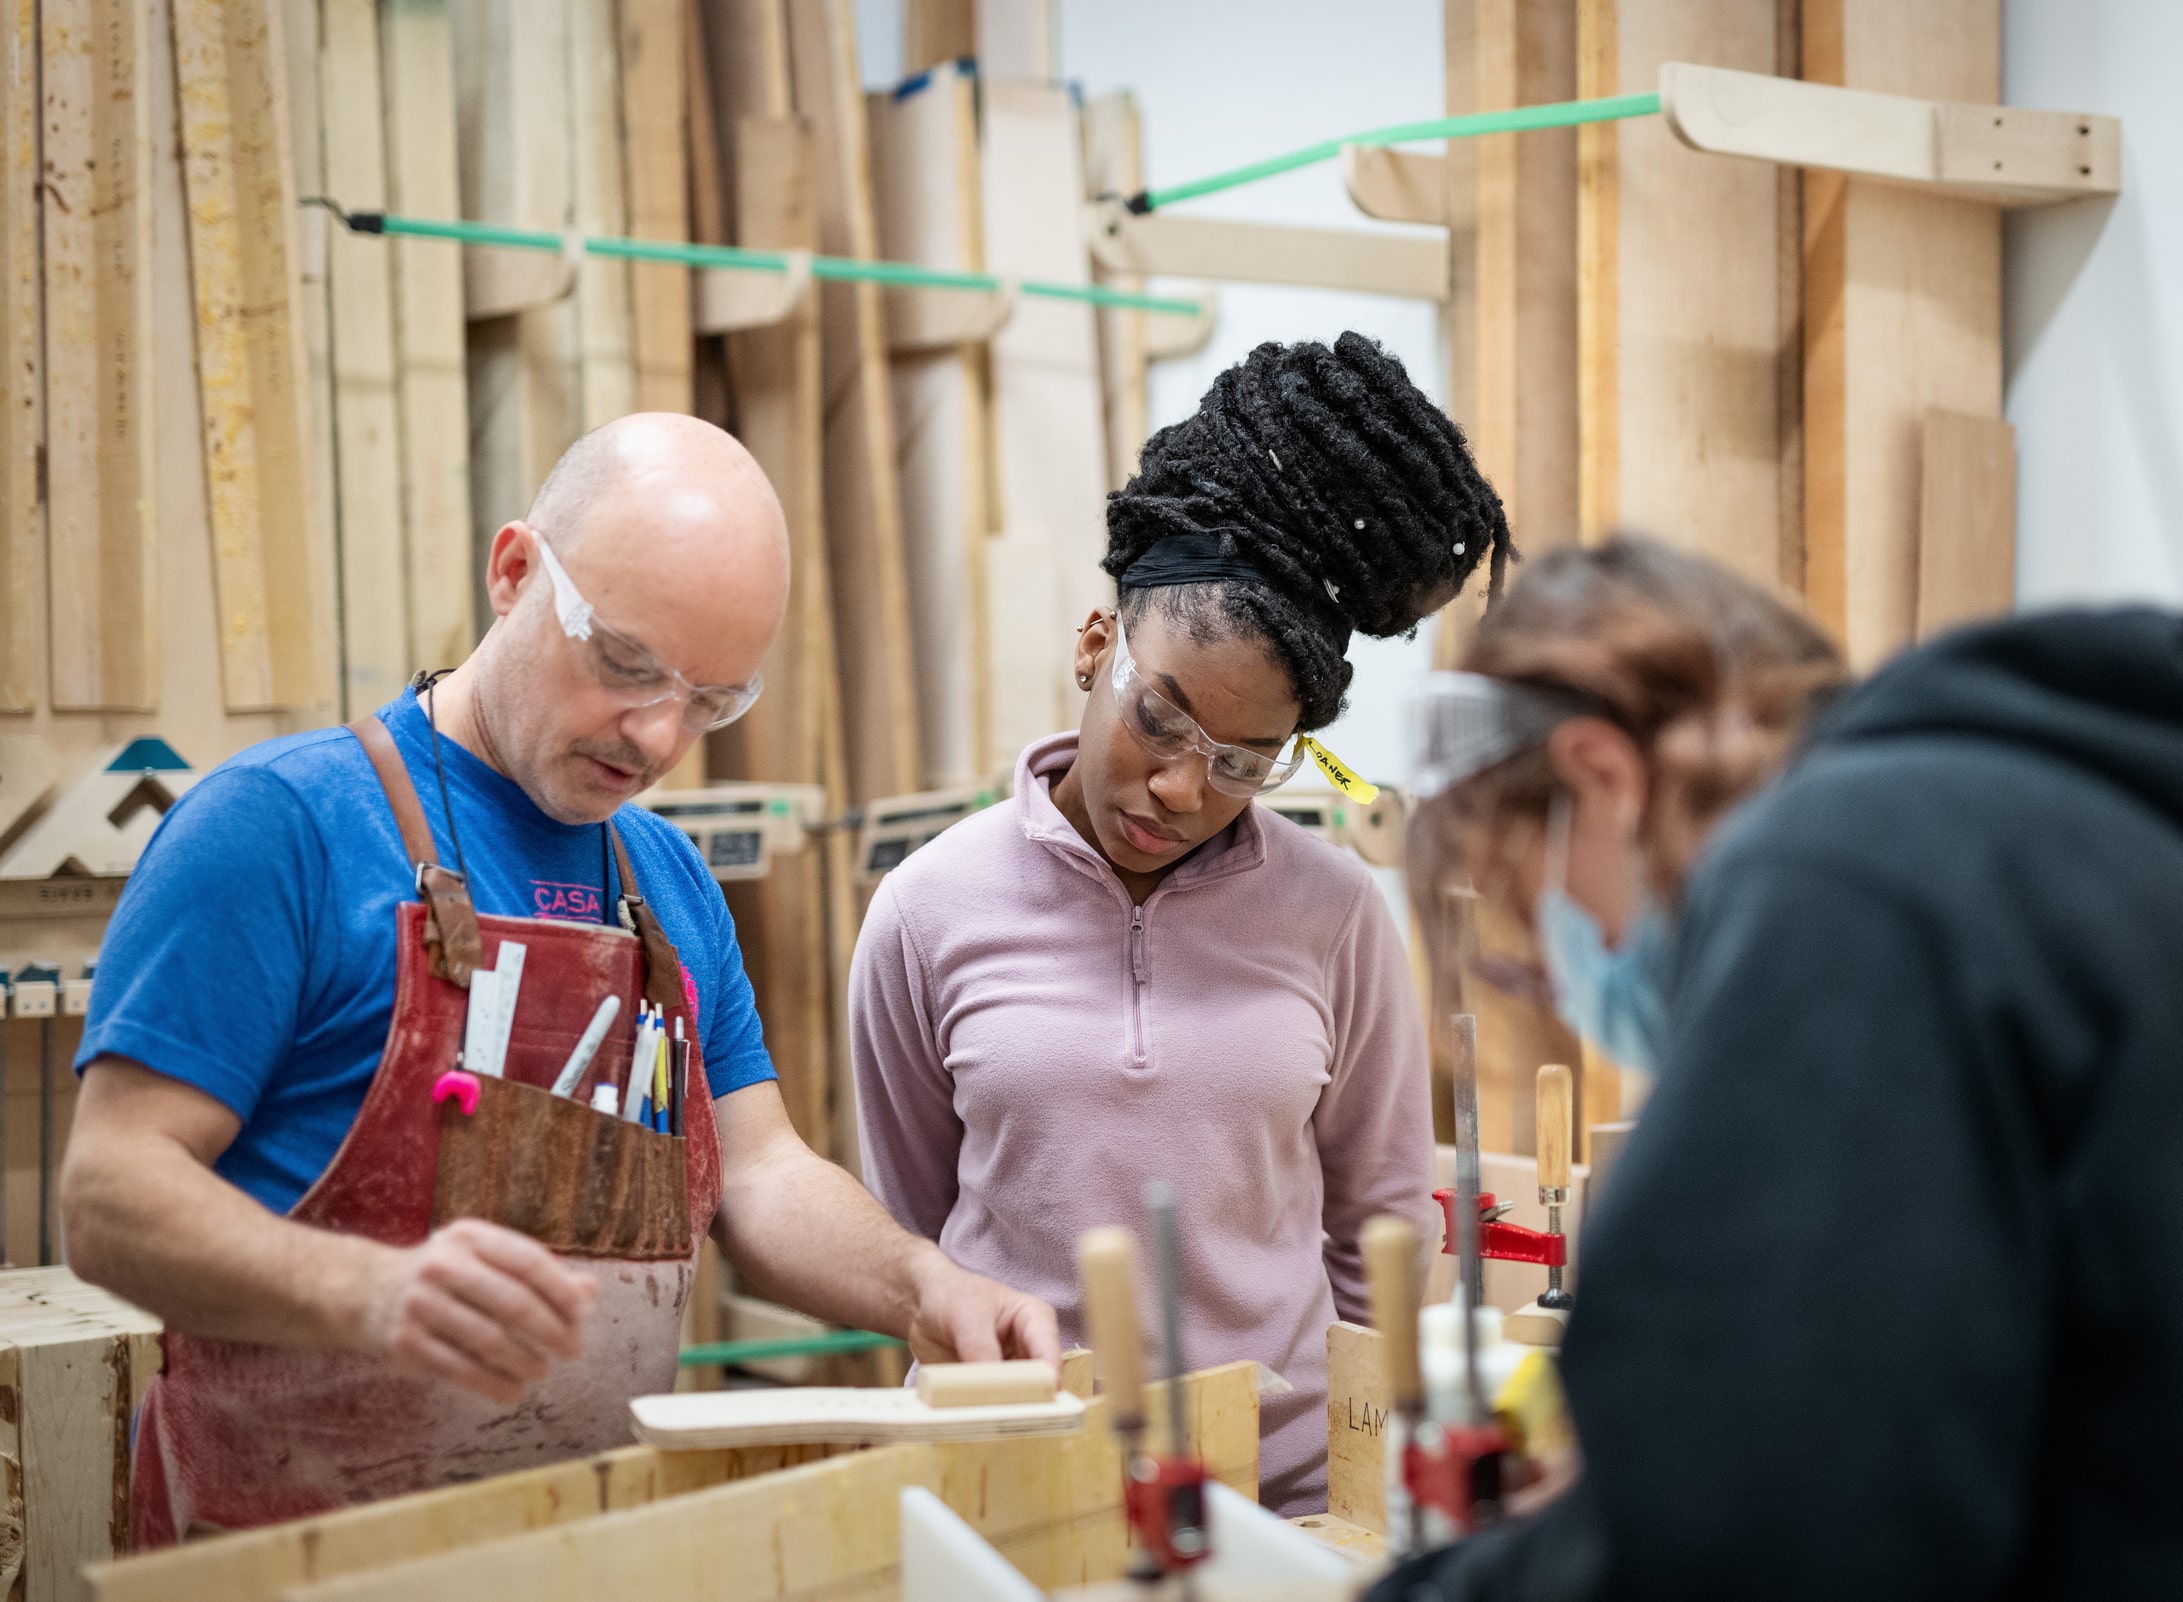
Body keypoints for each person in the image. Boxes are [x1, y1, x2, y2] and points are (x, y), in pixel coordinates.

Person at [61, 414, 1058, 1545]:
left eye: (712, 700)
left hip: (579, 1555)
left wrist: (922, 1284)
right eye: (627, 664)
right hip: (288, 1567)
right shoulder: (282, 827)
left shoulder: (669, 886)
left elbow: (763, 1172)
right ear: (514, 571)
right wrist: (365, 1293)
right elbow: (108, 1193)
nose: (659, 734)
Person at [1375, 537, 2183, 1599]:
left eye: (1548, 934)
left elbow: (1750, 1537)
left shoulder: (1840, 879)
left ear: (1603, 774)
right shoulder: (2092, 848)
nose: (1571, 986)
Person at [850, 334, 1510, 1513]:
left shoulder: (1338, 917)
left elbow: (1380, 1224)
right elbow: (915, 1233)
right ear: (1097, 646)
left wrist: (1380, 1483)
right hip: (1020, 1489)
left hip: (1294, 1498)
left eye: (1241, 761)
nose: (1180, 790)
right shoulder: (925, 908)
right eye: (1161, 717)